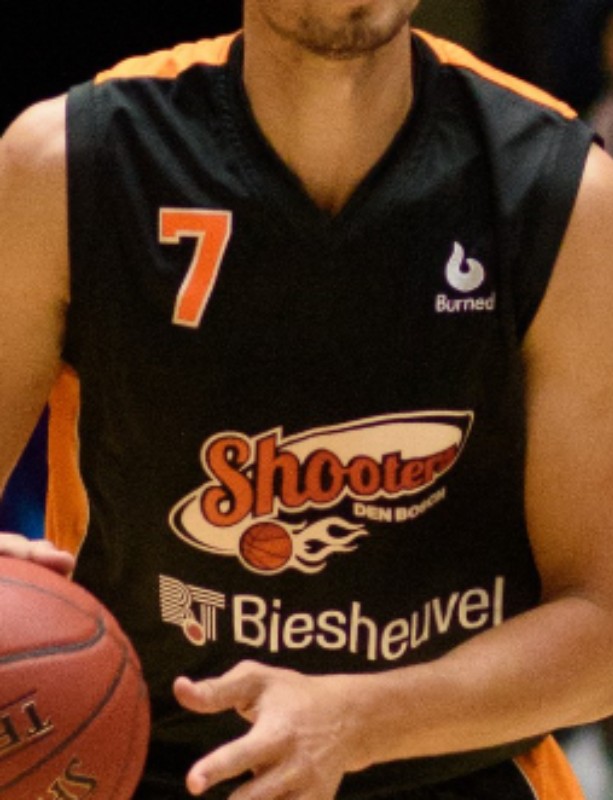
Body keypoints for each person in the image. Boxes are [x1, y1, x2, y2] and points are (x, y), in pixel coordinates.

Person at [2, 1, 613, 798]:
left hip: (453, 767)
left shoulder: (559, 194)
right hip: (132, 760)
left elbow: (602, 620)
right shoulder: (66, 164)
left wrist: (359, 719)